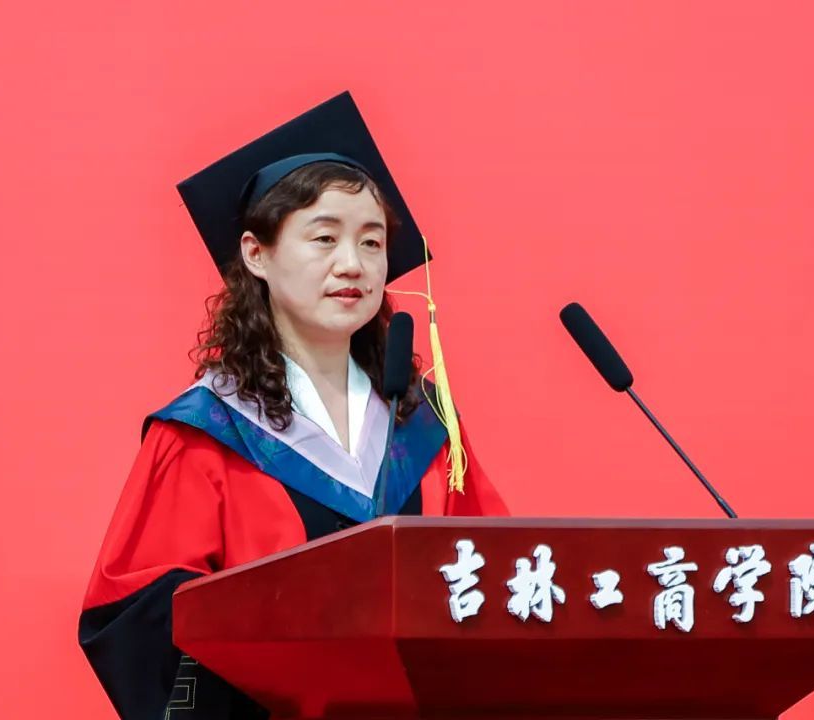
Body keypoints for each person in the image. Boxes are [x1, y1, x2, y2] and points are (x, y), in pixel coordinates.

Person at [78, 92, 508, 720]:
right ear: (257, 254)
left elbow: (495, 573)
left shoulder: (425, 425)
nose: (352, 264)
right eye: (324, 238)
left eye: (371, 242)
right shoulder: (207, 432)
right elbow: (135, 615)